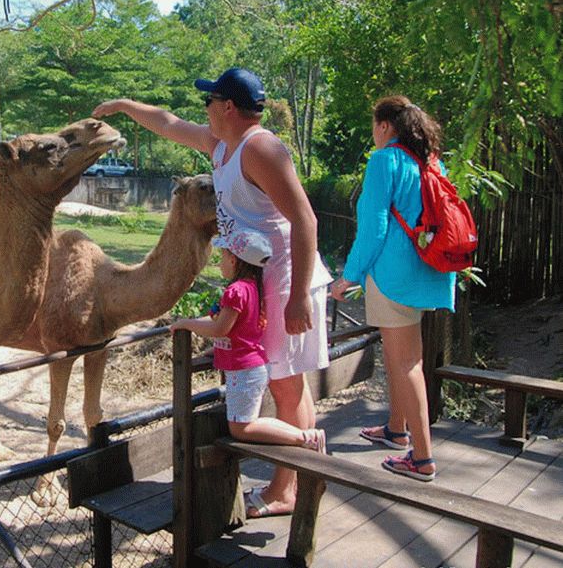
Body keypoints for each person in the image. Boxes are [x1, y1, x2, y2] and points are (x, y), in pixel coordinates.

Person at [93, 67, 332, 517]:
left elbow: (305, 220)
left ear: (227, 107)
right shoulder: (223, 144)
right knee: (286, 386)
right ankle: (293, 480)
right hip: (264, 280)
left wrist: (299, 294)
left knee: (285, 386)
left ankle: (288, 489)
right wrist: (124, 106)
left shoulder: (260, 147)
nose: (202, 108)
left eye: (209, 101)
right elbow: (167, 123)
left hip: (283, 279)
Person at [330, 95, 455, 482]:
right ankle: (396, 429)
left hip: (392, 276)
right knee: (404, 355)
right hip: (428, 272)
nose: (373, 134)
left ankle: (421, 458)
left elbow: (374, 227)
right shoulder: (432, 162)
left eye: (374, 126)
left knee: (406, 364)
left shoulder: (385, 161)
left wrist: (348, 276)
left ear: (385, 126)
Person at [170, 228, 326, 516]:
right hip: (251, 365)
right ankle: (306, 437)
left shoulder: (235, 291)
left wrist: (186, 324)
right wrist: (217, 347)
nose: (220, 261)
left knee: (242, 427)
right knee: (244, 423)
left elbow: (219, 327)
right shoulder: (253, 288)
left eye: (224, 256)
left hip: (244, 371)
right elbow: (237, 331)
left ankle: (307, 439)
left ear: (237, 259)